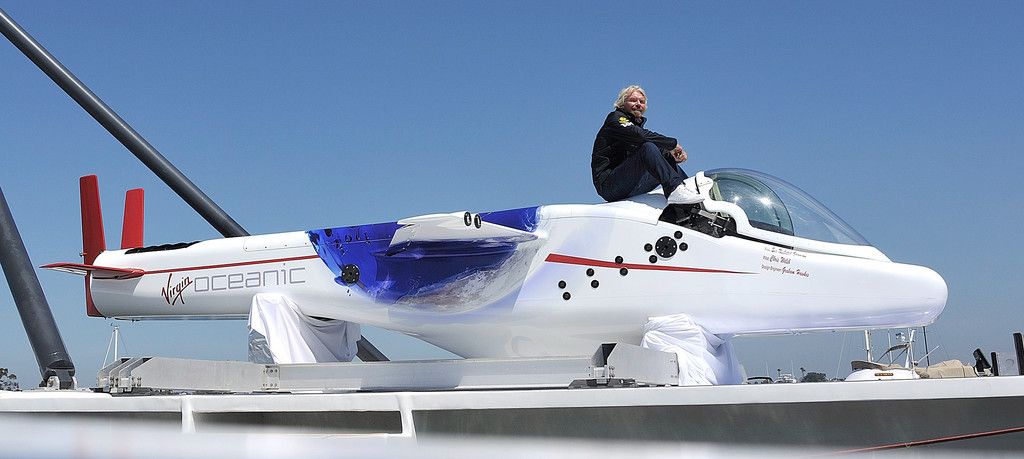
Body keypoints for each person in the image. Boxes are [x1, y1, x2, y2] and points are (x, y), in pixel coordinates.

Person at [591, 85, 703, 204]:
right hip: (609, 186)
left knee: (663, 155)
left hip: (631, 184)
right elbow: (641, 136)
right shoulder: (615, 119)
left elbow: (650, 147)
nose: (638, 104)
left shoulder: (635, 127)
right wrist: (673, 144)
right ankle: (674, 190)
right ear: (622, 103)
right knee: (648, 147)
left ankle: (692, 195)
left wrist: (672, 155)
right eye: (633, 100)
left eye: (642, 101)